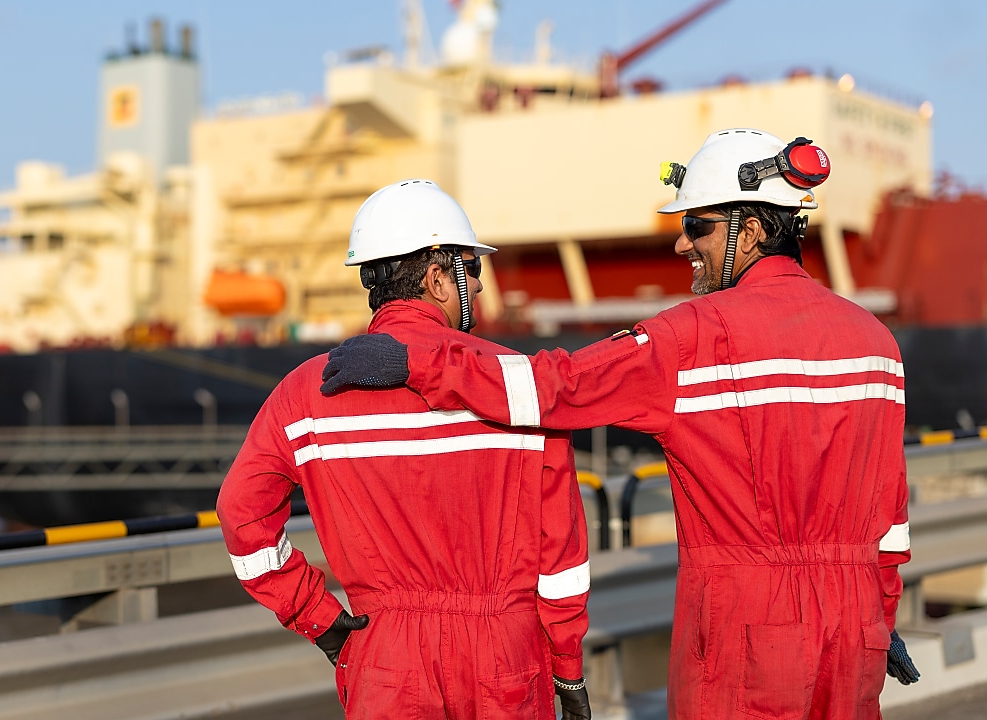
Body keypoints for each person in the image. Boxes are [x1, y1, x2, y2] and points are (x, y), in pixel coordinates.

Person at [321, 131, 921, 718]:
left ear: (756, 229)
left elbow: (552, 388)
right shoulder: (876, 343)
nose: (685, 245)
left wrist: (419, 361)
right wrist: (881, 615)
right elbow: (890, 514)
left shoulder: (690, 339)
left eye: (699, 226)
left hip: (748, 631)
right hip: (856, 627)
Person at [217, 178, 593, 719]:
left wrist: (316, 616)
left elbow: (241, 515)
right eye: (473, 269)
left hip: (385, 659)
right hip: (503, 658)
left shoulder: (305, 393)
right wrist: (567, 669)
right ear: (439, 278)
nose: (479, 288)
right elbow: (561, 556)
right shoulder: (515, 385)